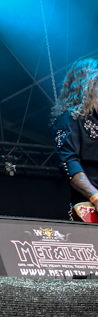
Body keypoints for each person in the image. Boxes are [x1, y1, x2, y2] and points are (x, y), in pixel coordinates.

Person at [51, 57, 98, 219]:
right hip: (91, 207)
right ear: (88, 85)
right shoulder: (69, 118)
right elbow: (69, 162)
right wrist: (95, 196)